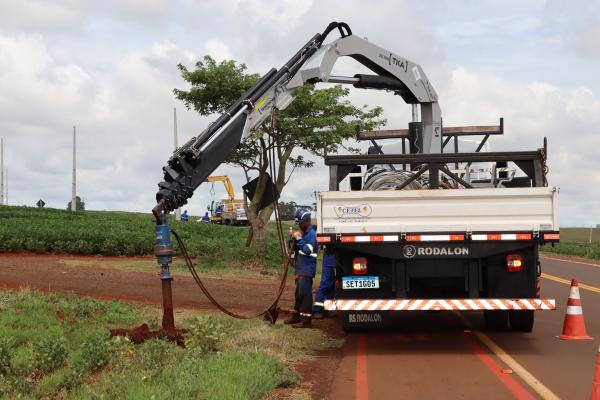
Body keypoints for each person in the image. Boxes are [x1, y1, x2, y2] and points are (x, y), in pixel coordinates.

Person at [284, 208, 317, 328]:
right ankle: (296, 316)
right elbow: (295, 248)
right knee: (298, 294)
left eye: (300, 223)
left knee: (305, 295)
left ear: (307, 221)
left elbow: (308, 250)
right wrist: (292, 239)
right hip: (300, 268)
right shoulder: (303, 233)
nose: (299, 225)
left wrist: (299, 239)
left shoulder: (311, 234)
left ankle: (306, 321)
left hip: (307, 269)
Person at [312, 250, 336, 319]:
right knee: (325, 284)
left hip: (335, 257)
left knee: (331, 285)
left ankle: (327, 308)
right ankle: (317, 310)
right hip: (329, 257)